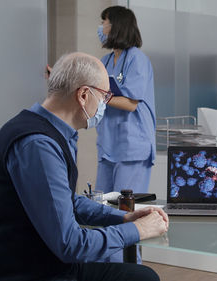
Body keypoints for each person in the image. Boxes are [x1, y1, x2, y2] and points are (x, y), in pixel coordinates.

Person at [0, 52, 168, 281]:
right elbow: (70, 244)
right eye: (105, 96)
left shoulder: (53, 133)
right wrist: (139, 230)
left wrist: (123, 218)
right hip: (27, 274)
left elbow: (66, 201)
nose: (105, 104)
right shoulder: (38, 145)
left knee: (142, 276)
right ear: (84, 95)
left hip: (49, 265)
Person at [95, 6, 156, 195]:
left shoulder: (137, 59)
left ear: (116, 26)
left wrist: (99, 95)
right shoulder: (105, 61)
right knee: (102, 207)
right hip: (108, 144)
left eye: (104, 23)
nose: (101, 28)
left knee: (125, 210)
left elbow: (130, 104)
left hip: (132, 146)